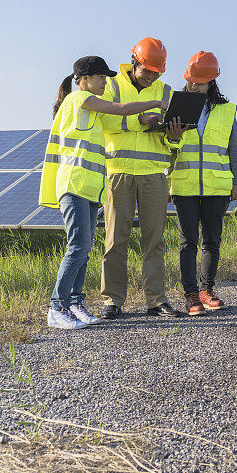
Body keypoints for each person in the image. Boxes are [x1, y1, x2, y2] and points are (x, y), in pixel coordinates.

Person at [39, 56, 171, 329]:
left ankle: (75, 304)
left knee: (84, 249)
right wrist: (156, 103)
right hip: (75, 185)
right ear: (85, 79)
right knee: (77, 247)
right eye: (101, 78)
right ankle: (56, 307)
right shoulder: (78, 99)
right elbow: (121, 108)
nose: (106, 82)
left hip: (89, 188)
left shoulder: (91, 110)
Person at [98, 37, 186, 320]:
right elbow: (105, 120)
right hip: (119, 173)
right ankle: (113, 300)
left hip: (154, 175)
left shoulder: (167, 91)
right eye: (147, 71)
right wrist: (141, 119)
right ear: (133, 62)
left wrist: (174, 137)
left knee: (154, 241)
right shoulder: (111, 86)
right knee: (115, 240)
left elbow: (175, 144)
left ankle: (156, 300)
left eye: (156, 73)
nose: (151, 77)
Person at [170, 51, 237, 316]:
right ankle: (190, 296)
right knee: (187, 242)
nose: (195, 85)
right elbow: (168, 147)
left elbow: (233, 150)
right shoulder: (175, 106)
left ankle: (207, 290)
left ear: (212, 82)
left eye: (200, 82)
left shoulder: (226, 111)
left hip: (217, 186)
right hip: (184, 186)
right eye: (192, 80)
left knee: (212, 241)